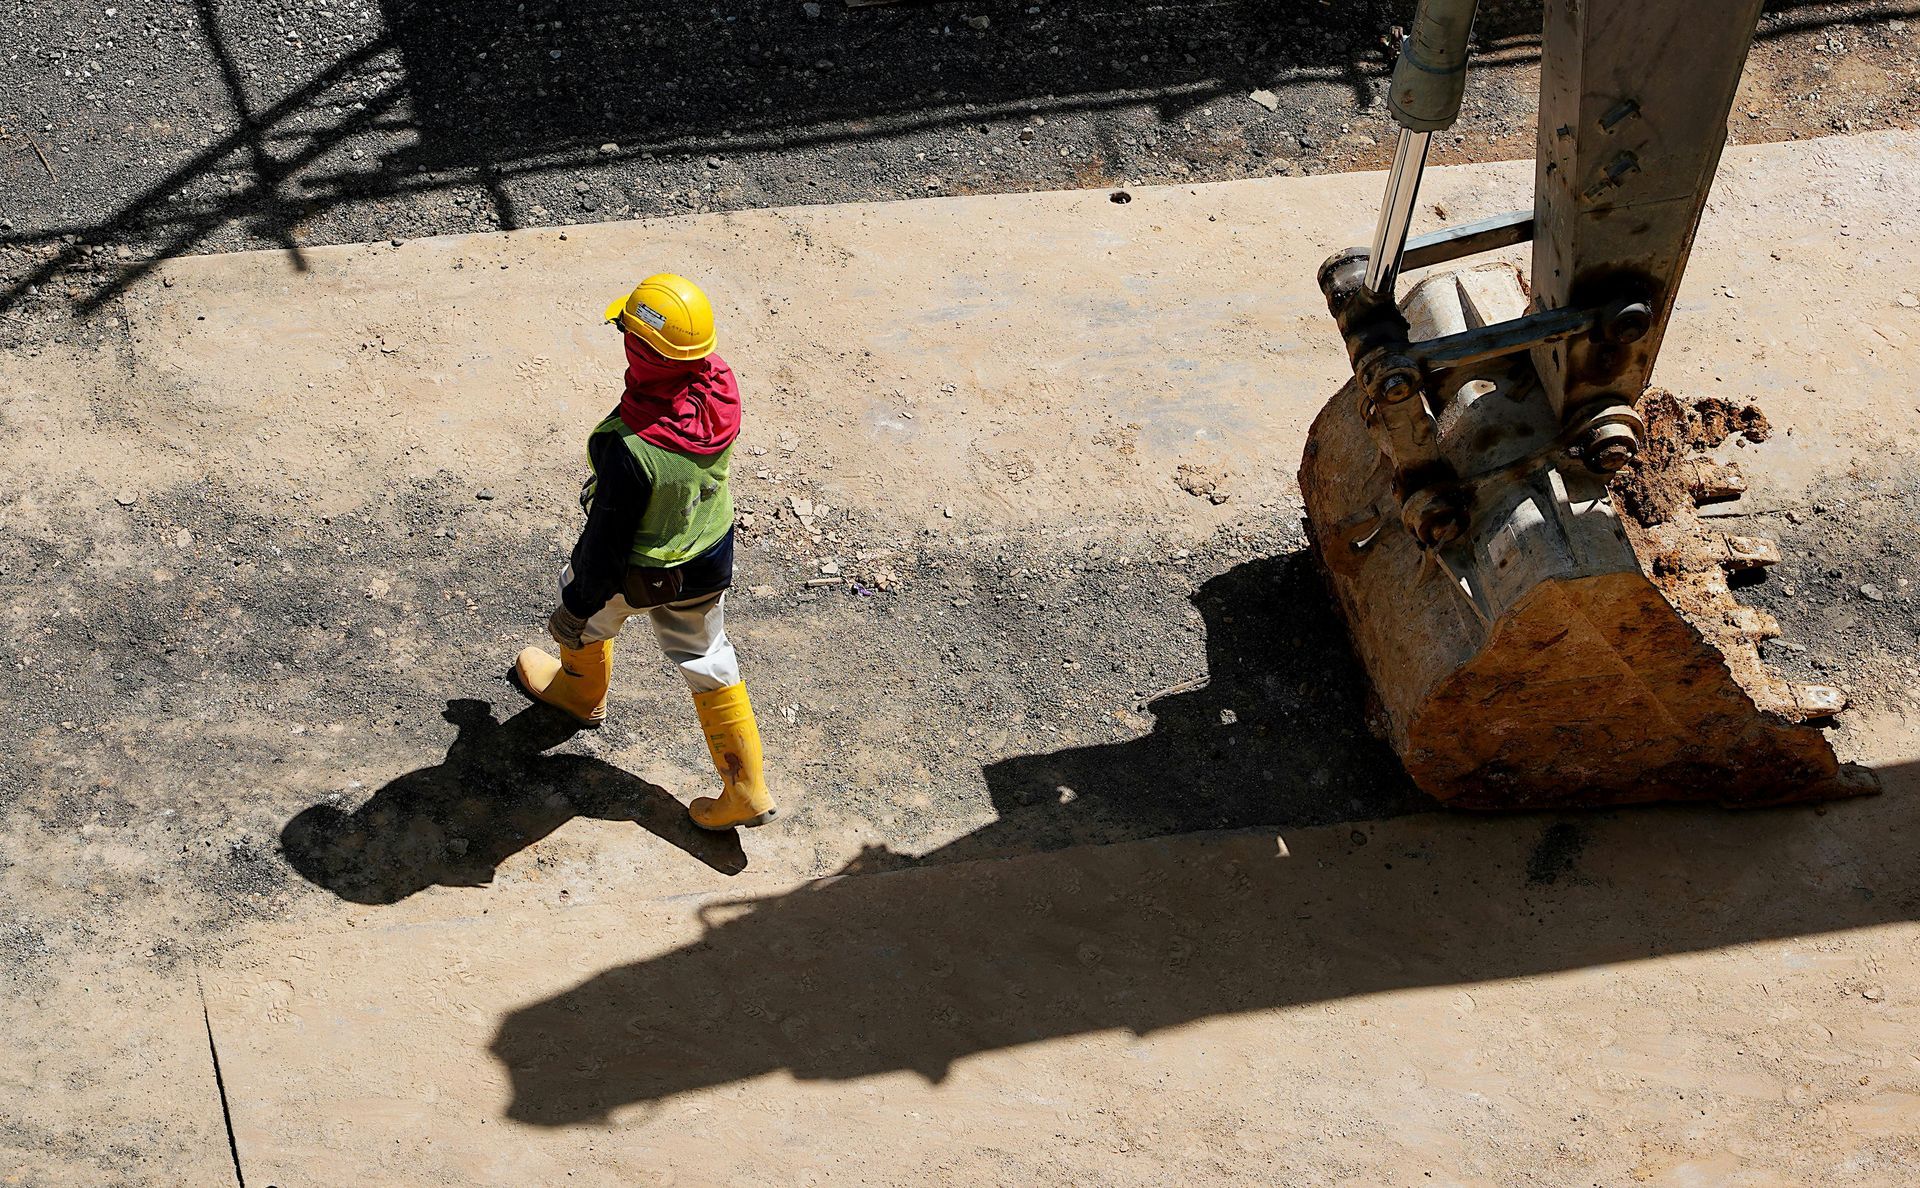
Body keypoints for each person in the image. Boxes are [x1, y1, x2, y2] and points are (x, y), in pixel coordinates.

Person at [512, 273, 776, 831]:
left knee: (583, 610)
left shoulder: (631, 449)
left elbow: (606, 547)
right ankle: (745, 789)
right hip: (707, 552)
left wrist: (577, 604)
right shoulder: (717, 386)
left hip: (641, 572)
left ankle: (580, 693)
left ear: (641, 350)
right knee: (707, 656)